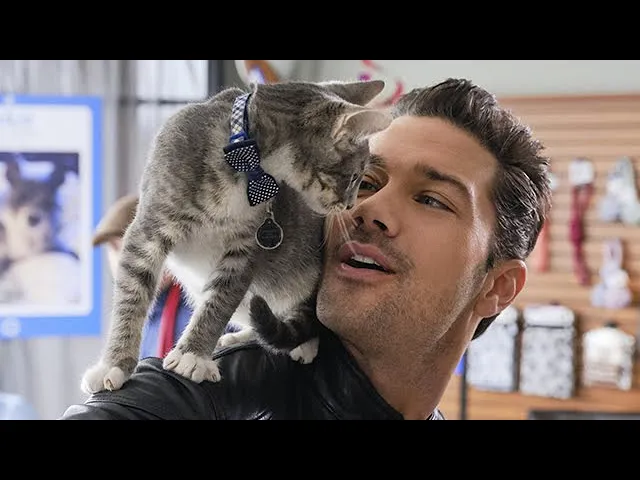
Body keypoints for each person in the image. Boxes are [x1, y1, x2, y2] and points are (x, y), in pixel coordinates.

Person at [60, 78, 551, 420]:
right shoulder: (205, 398)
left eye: (430, 199)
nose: (367, 209)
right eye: (365, 182)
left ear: (497, 286)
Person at [91, 194, 242, 360]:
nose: (122, 259)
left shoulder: (215, 301)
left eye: (135, 245)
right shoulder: (139, 321)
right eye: (114, 247)